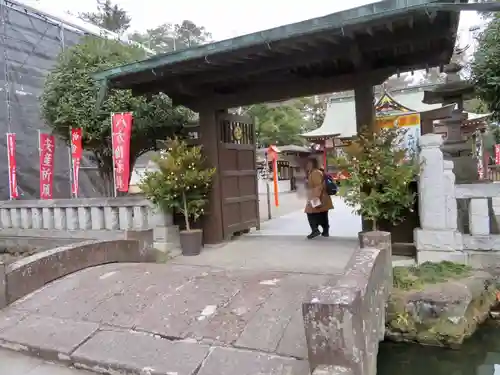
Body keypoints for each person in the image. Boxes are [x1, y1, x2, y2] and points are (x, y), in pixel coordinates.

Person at [304, 157, 333, 239]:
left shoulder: (315, 173)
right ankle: (325, 231)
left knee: (310, 212)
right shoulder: (317, 172)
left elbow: (318, 186)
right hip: (322, 197)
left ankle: (315, 230)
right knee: (322, 213)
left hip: (317, 196)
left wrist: (315, 199)